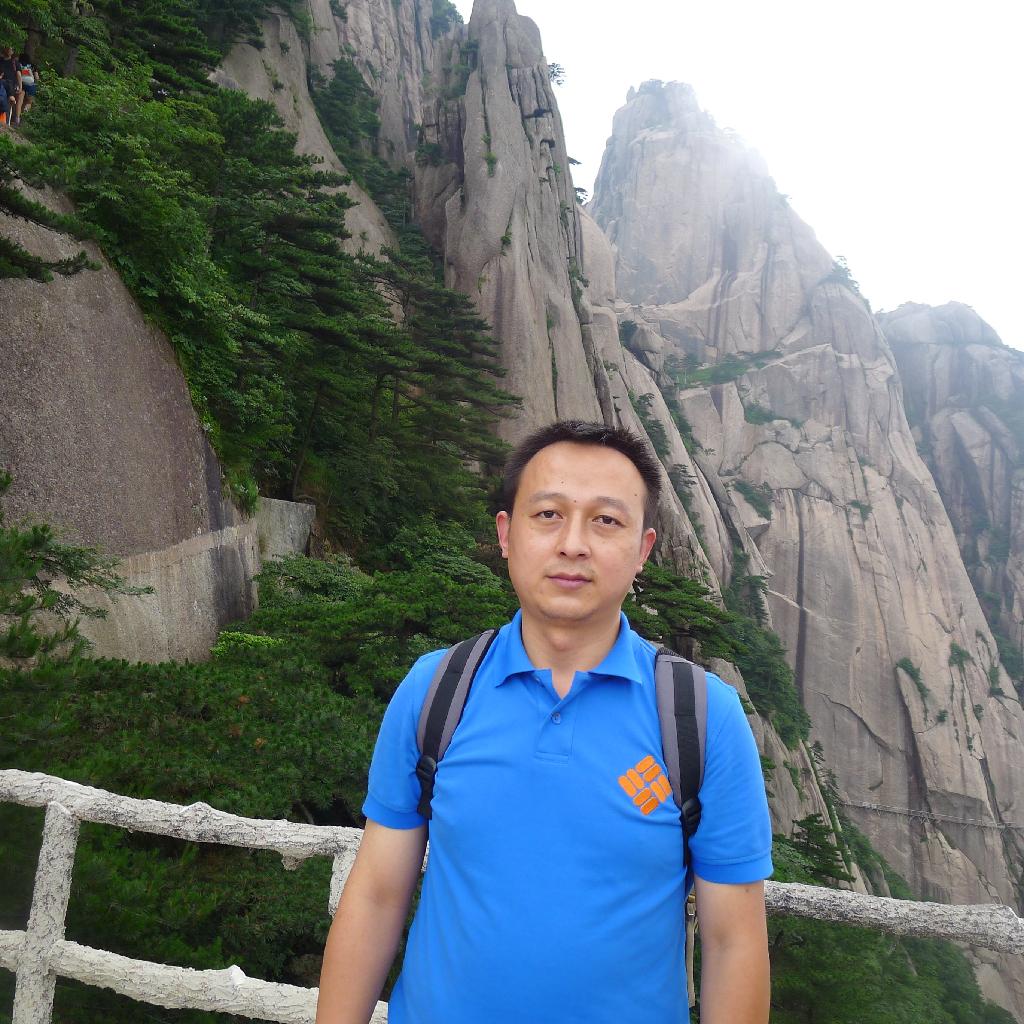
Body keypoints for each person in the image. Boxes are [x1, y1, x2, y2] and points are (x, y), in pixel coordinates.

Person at [315, 420, 773, 1024]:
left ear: (643, 549)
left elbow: (733, 942)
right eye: (549, 514)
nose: (573, 544)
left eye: (605, 520)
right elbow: (377, 895)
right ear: (507, 534)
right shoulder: (437, 690)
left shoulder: (701, 716)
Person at [0, 46, 20, 127]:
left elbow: (18, 75)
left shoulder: (14, 62)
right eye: (9, 49)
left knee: (8, 103)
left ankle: (6, 123)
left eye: (12, 49)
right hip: (2, 83)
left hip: (10, 86)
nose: (10, 51)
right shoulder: (1, 60)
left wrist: (20, 86)